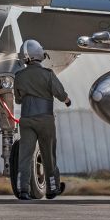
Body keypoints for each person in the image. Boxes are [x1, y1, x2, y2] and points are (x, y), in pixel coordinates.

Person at [13, 39, 71, 201]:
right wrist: (67, 101)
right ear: (39, 54)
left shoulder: (19, 76)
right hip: (45, 120)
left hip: (26, 120)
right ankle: (53, 188)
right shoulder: (48, 74)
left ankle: (22, 190)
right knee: (48, 155)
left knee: (25, 156)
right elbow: (60, 93)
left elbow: (18, 99)